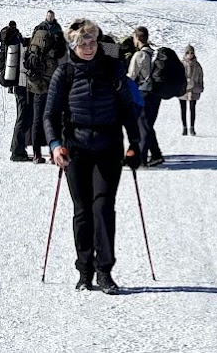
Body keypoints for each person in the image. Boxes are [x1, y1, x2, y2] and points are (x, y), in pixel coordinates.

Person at [44, 19, 143, 294]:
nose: (88, 47)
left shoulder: (112, 68)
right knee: (82, 211)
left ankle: (104, 271)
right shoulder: (63, 73)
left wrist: (134, 144)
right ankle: (84, 270)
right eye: (82, 43)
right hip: (75, 148)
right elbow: (50, 114)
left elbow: (127, 108)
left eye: (92, 41)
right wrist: (54, 145)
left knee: (102, 208)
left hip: (108, 147)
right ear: (72, 45)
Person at [25, 11, 68, 161]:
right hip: (51, 83)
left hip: (36, 83)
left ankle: (36, 153)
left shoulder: (37, 32)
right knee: (52, 118)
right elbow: (61, 55)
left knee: (37, 119)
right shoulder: (56, 32)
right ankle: (52, 151)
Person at [126, 26, 165, 166]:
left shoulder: (139, 55)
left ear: (137, 38)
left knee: (142, 124)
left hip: (144, 93)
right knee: (147, 124)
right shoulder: (153, 53)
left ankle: (141, 159)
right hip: (156, 93)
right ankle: (156, 154)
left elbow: (131, 77)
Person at [0, 20, 30, 161]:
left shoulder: (8, 43)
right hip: (21, 84)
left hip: (16, 84)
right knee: (23, 118)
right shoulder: (16, 42)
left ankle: (16, 148)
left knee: (21, 117)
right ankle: (17, 152)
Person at [179, 45, 204, 136]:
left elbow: (200, 77)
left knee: (192, 108)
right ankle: (184, 127)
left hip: (194, 89)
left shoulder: (197, 65)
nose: (190, 54)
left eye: (191, 53)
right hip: (183, 89)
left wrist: (200, 86)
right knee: (183, 108)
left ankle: (192, 127)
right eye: (188, 52)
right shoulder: (181, 64)